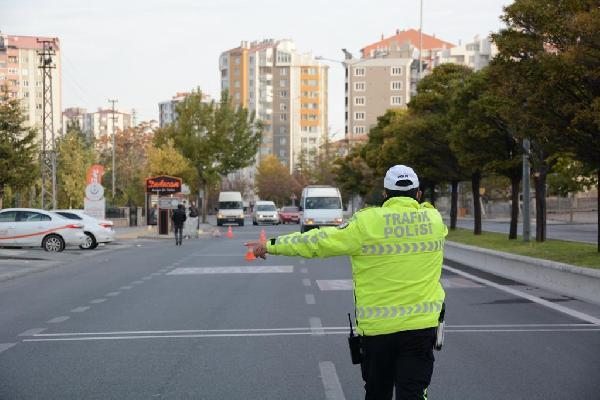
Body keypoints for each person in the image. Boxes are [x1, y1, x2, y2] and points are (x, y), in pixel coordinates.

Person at [251, 165, 447, 400]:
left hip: (378, 332)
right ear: (418, 194)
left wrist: (272, 245)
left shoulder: (366, 223)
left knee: (377, 394)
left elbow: (319, 241)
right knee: (413, 394)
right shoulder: (434, 221)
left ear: (385, 194)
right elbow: (425, 212)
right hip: (421, 329)